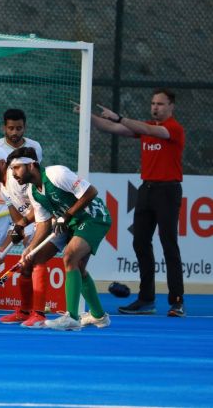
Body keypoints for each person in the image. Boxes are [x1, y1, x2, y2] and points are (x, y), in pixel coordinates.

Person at [84, 88, 186, 317]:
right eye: (152, 103)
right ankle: (146, 299)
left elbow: (147, 129)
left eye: (160, 103)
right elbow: (110, 127)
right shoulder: (146, 128)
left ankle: (177, 301)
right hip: (146, 189)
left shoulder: (173, 129)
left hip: (167, 190)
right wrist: (87, 115)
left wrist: (120, 117)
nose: (155, 107)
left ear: (171, 106)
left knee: (169, 244)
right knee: (140, 243)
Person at [10, 147, 111, 331]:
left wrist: (67, 214)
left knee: (70, 257)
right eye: (12, 169)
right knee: (38, 258)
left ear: (32, 165)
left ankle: (71, 318)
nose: (14, 173)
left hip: (92, 217)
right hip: (69, 224)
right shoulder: (34, 192)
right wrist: (29, 249)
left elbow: (91, 192)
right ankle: (99, 316)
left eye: (17, 168)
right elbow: (43, 224)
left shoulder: (56, 174)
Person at [0, 145, 65, 328]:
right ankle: (26, 311)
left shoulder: (18, 179)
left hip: (53, 220)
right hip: (36, 222)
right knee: (26, 263)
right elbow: (18, 224)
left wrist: (29, 233)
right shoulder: (4, 190)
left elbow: (39, 203)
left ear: (2, 164)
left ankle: (39, 314)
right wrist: (1, 250)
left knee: (35, 259)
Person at [0, 109, 43, 286]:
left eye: (19, 128)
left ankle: (34, 309)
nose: (15, 133)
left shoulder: (34, 147)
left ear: (24, 127)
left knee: (32, 249)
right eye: (11, 128)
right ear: (4, 127)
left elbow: (36, 177)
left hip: (28, 206)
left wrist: (27, 216)